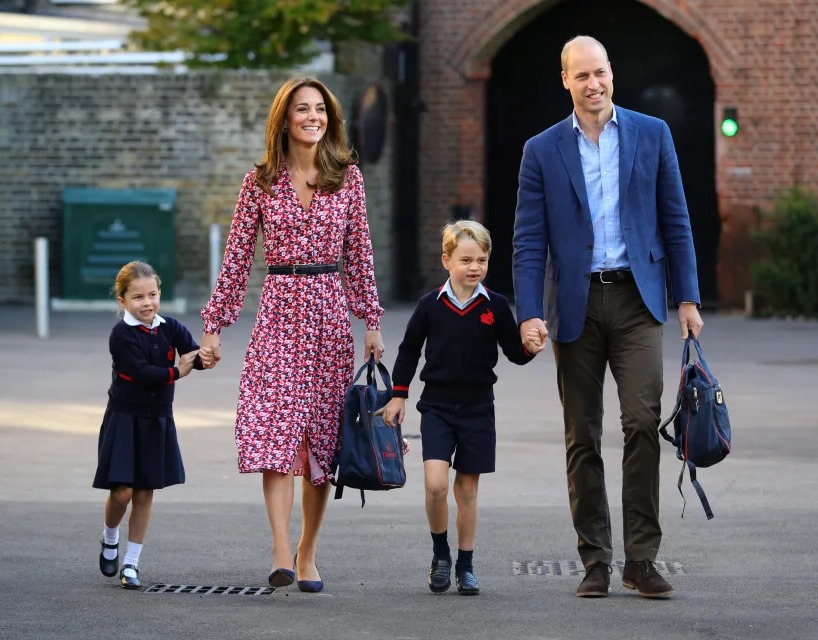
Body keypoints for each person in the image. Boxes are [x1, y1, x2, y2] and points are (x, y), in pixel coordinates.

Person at [512, 35, 705, 599]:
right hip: (574, 304)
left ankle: (641, 560)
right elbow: (528, 242)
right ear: (565, 80)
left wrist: (687, 299)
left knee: (643, 423)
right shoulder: (541, 150)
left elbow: (678, 220)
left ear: (611, 74)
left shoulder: (653, 133)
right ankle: (595, 559)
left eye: (600, 73)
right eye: (582, 76)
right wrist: (528, 314)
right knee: (582, 436)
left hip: (638, 299)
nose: (593, 84)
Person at [198, 77, 385, 594]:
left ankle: (308, 551)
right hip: (278, 313)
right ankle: (281, 548)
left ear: (330, 118)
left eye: (320, 110)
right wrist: (214, 326)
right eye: (302, 109)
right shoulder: (258, 182)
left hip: (328, 317)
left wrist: (371, 321)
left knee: (322, 442)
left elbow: (360, 257)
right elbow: (236, 261)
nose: (312, 117)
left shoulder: (347, 179)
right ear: (284, 118)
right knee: (275, 431)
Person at [382, 220, 542, 596]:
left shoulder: (496, 306)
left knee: (467, 490)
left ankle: (466, 565)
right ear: (446, 260)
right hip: (436, 406)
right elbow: (408, 350)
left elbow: (514, 353)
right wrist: (398, 393)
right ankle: (441, 554)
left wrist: (530, 350)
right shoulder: (429, 306)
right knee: (436, 485)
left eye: (482, 260)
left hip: (477, 409)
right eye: (466, 259)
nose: (474, 267)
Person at [93, 261, 203, 590]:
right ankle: (110, 537)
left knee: (144, 492)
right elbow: (139, 372)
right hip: (125, 418)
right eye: (138, 297)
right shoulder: (121, 335)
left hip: (157, 419)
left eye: (153, 295)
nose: (147, 303)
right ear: (122, 300)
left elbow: (192, 352)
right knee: (122, 492)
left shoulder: (170, 326)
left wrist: (205, 357)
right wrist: (177, 372)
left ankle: (131, 564)